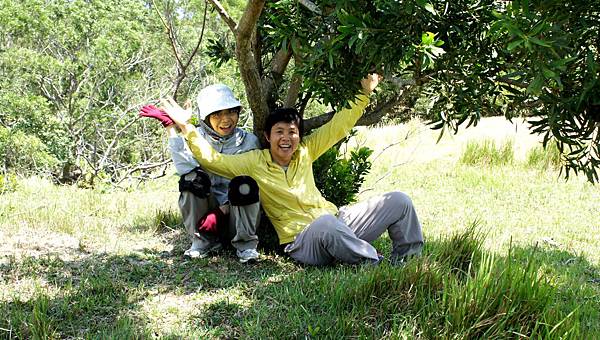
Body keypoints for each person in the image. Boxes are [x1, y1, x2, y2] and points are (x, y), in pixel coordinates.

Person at [161, 74, 424, 266]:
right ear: (267, 136)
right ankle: (373, 260)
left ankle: (408, 260)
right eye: (279, 132)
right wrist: (186, 129)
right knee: (326, 225)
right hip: (302, 239)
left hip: (336, 220)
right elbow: (213, 161)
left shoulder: (305, 152)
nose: (286, 138)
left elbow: (339, 127)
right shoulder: (254, 161)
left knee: (399, 201)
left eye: (292, 132)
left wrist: (364, 93)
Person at [140, 84, 262, 263]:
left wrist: (223, 210)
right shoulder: (196, 137)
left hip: (237, 217)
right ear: (206, 118)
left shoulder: (248, 141)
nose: (226, 119)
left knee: (244, 185)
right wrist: (171, 128)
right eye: (217, 114)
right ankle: (202, 242)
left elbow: (257, 182)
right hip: (205, 219)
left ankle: (246, 246)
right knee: (191, 179)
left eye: (231, 112)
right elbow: (185, 169)